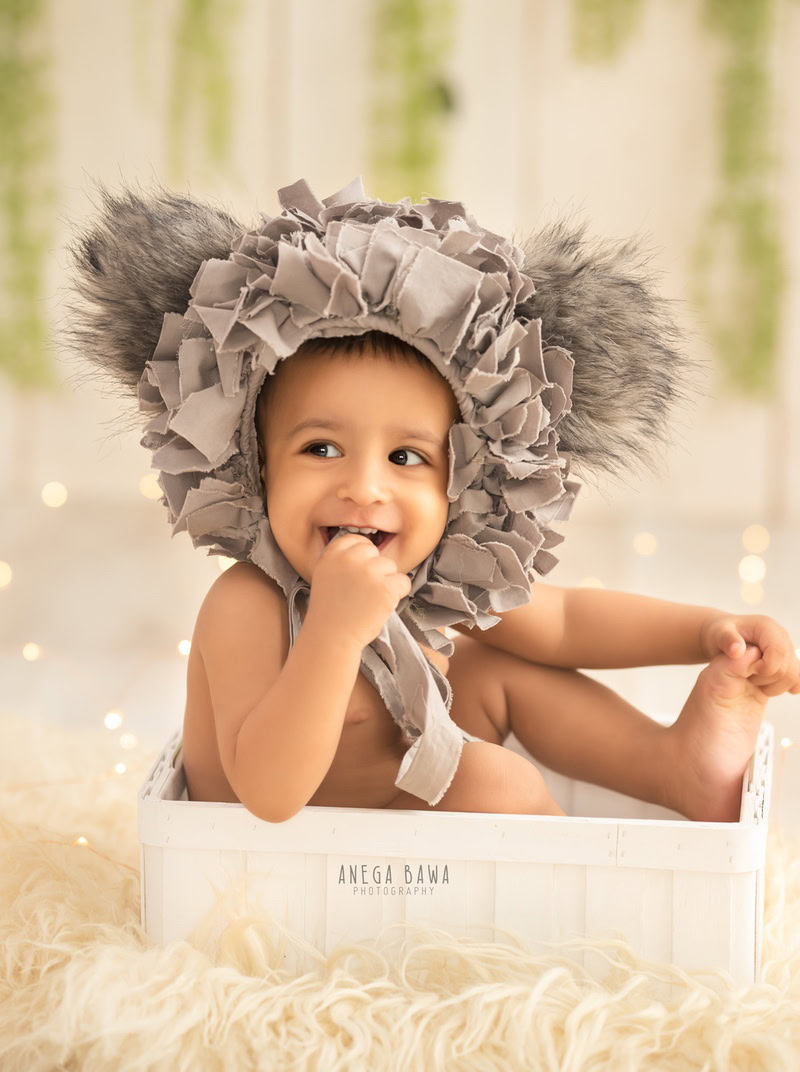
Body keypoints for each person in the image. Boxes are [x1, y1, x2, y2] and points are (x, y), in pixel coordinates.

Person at [62, 176, 800, 822]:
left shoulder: (426, 579)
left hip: (376, 798)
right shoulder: (247, 605)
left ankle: (677, 769)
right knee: (497, 782)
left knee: (499, 671)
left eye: (407, 457)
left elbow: (567, 621)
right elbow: (269, 792)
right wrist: (332, 633)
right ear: (256, 467)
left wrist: (711, 631)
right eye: (320, 448)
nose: (363, 485)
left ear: (461, 481)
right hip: (275, 850)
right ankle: (556, 904)